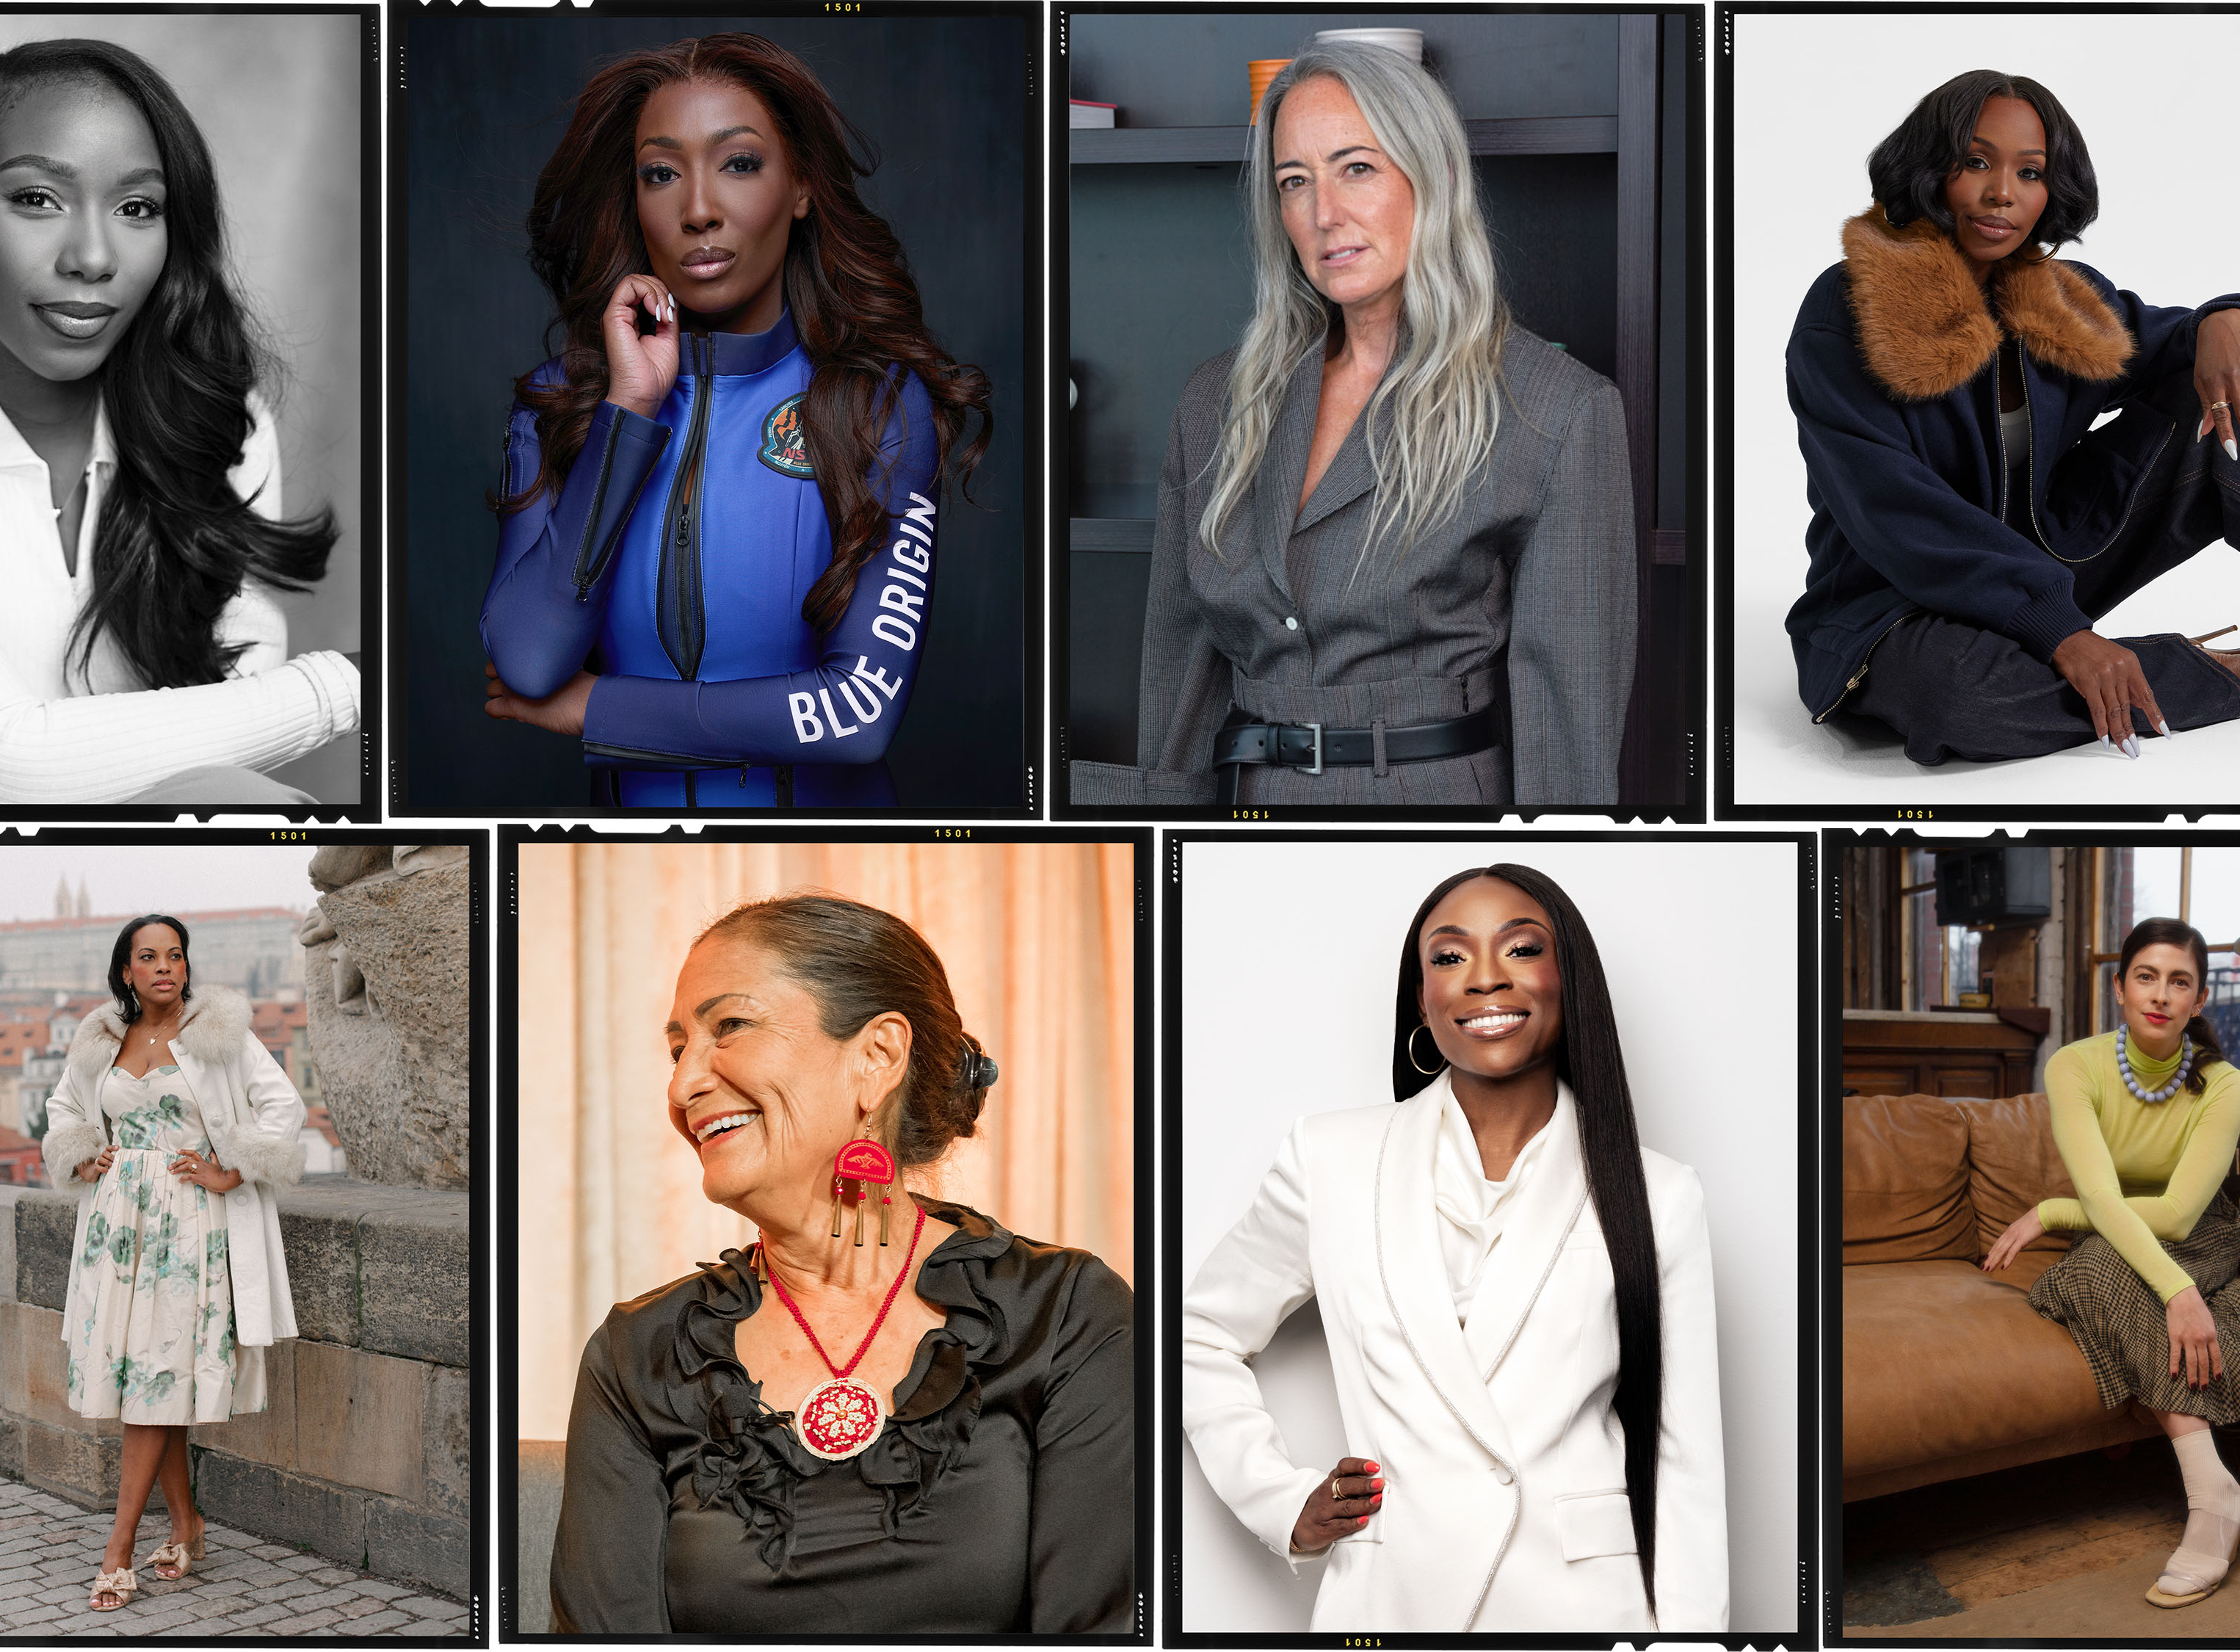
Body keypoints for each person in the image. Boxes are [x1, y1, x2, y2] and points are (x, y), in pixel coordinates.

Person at [0, 38, 358, 807]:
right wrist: (353, 683)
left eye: (137, 208)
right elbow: (6, 766)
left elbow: (226, 767)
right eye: (37, 198)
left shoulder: (222, 428)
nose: (92, 255)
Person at [1070, 43, 1636, 808]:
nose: (1323, 214)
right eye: (1293, 182)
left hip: (1436, 806)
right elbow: (1180, 677)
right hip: (1242, 808)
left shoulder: (1556, 409)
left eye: (1356, 168)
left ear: (1430, 174)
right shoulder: (1213, 401)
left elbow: (1567, 726)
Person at [549, 893, 1134, 1631]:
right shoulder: (638, 1354)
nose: (681, 1084)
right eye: (677, 1048)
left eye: (729, 1026)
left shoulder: (1064, 1315)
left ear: (876, 1057)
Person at [1180, 864, 1725, 1631]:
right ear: (1421, 999)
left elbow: (1685, 1463)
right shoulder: (1329, 1159)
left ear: (1570, 981)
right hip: (1389, 1602)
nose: (1483, 979)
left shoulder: (1660, 1195)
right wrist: (1278, 1498)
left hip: (1584, 1608)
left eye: (1521, 949)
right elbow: (1194, 1337)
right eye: (1449, 957)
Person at [478, 34, 991, 809]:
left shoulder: (877, 402)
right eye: (661, 174)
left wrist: (594, 710)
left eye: (739, 164)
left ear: (801, 188)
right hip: (631, 870)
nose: (699, 210)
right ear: (635, 198)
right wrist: (629, 410)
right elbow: (525, 662)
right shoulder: (561, 403)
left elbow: (858, 716)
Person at [1786, 70, 2240, 764]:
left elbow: (2172, 342)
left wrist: (2223, 317)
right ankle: (2204, 673)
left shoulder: (2057, 296)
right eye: (1976, 162)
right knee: (1962, 701)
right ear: (1932, 168)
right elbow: (1894, 510)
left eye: (2030, 172)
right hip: (1893, 604)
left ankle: (2071, 653)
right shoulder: (1849, 309)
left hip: (2045, 561)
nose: (2003, 191)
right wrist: (2065, 632)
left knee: (2226, 382)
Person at [41, 913, 308, 1611]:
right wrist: (80, 1153)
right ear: (126, 971)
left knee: (155, 1380)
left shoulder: (218, 1034)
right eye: (149, 957)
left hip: (189, 1228)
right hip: (116, 1224)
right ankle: (187, 1526)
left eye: (176, 956)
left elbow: (283, 1105)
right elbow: (64, 1106)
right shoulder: (101, 1039)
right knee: (151, 1380)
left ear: (187, 967)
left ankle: (118, 1547)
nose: (165, 967)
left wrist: (232, 1170)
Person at [1984, 918, 2240, 1606]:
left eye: (2180, 981)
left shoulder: (2225, 1086)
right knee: (2091, 1269)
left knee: (2105, 1265)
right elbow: (2102, 1194)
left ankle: (2212, 1501)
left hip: (2208, 1232)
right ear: (2120, 986)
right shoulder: (2074, 1064)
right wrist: (2176, 1294)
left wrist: (2053, 1213)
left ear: (2198, 1001)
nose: (2161, 995)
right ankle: (2213, 1487)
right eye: (2147, 977)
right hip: (2113, 1234)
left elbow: (2182, 1215)